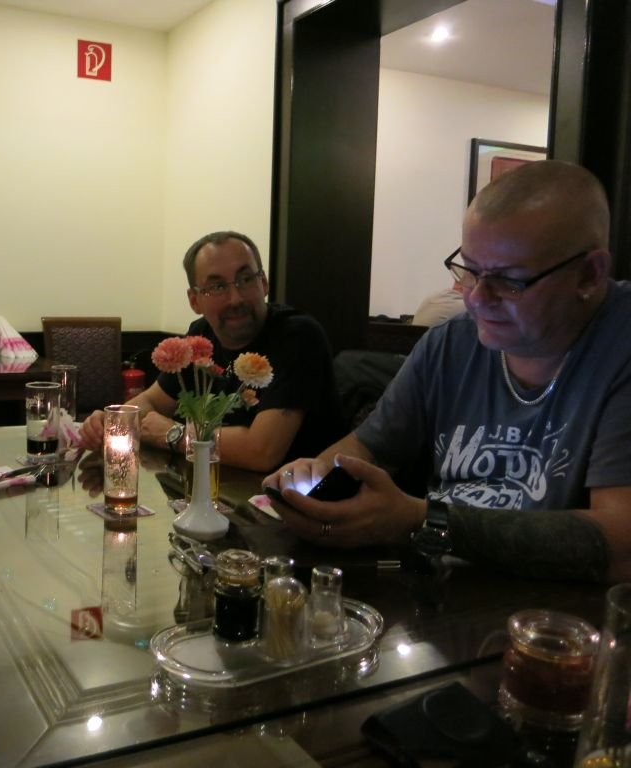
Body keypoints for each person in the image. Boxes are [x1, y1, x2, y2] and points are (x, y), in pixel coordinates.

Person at [264, 160, 631, 584]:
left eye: (510, 280)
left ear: (589, 274)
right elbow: (365, 450)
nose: (477, 298)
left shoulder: (619, 345)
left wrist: (423, 521)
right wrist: (311, 482)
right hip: (441, 592)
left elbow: (621, 545)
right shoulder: (450, 343)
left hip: (557, 613)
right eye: (470, 270)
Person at [80, 231, 344, 472]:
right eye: (217, 287)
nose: (236, 298)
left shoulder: (298, 336)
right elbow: (152, 401)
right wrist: (113, 421)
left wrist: (174, 434)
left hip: (288, 499)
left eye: (245, 279)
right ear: (194, 300)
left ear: (263, 283)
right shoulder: (201, 335)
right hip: (214, 488)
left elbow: (261, 451)